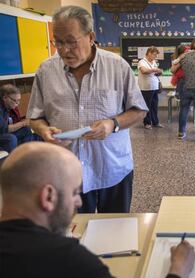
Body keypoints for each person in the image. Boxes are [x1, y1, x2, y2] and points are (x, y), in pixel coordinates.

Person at [0, 142, 195, 278]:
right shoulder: (69, 261)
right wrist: (178, 269)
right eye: (75, 192)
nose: (78, 202)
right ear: (48, 196)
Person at [27, 6, 148, 213]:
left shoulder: (117, 66)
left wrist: (113, 123)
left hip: (112, 168)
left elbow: (139, 110)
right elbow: (35, 117)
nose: (64, 50)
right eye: (58, 41)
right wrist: (43, 130)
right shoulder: (46, 70)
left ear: (90, 37)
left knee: (115, 230)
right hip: (66, 172)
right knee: (74, 234)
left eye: (71, 42)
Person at [171, 37, 195, 142]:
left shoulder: (184, 56)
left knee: (184, 110)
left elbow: (172, 70)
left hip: (186, 87)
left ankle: (181, 132)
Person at [0, 84, 38, 152]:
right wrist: (23, 123)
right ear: (5, 98)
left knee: (26, 129)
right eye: (15, 100)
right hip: (2, 133)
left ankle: (28, 153)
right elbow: (4, 129)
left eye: (19, 100)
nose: (18, 103)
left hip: (3, 134)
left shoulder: (8, 107)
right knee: (11, 138)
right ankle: (14, 161)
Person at [138, 46, 164, 129]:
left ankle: (155, 122)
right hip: (146, 88)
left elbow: (154, 73)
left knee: (154, 106)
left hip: (154, 87)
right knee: (147, 106)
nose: (155, 56)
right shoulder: (142, 62)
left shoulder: (153, 62)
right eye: (154, 54)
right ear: (149, 53)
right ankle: (147, 123)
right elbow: (144, 71)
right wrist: (155, 69)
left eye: (156, 55)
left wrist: (159, 72)